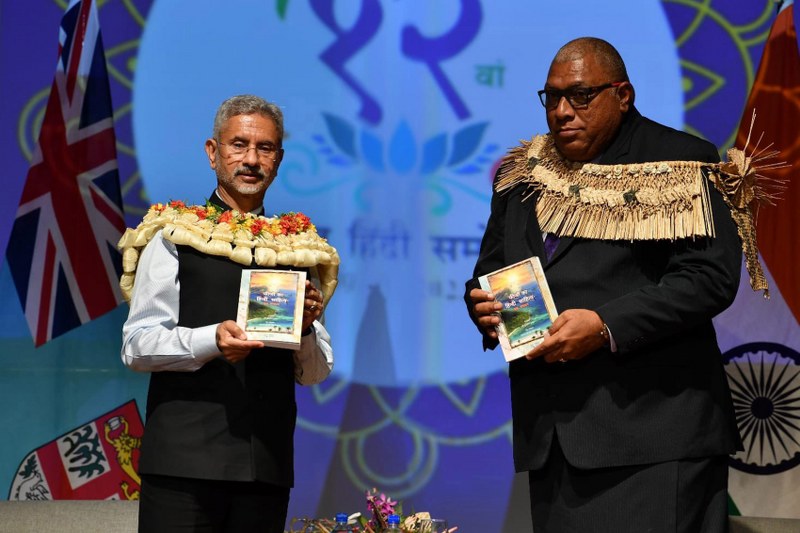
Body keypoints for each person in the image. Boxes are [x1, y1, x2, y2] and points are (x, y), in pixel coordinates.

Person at [465, 38, 743, 532]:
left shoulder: (681, 161)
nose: (562, 112)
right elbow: (489, 270)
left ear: (624, 94)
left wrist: (605, 325)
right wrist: (482, 307)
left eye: (581, 96)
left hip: (654, 440)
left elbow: (709, 280)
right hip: (551, 442)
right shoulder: (522, 171)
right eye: (552, 98)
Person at [121, 95, 334, 533]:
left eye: (266, 148)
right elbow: (137, 345)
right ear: (212, 152)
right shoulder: (174, 234)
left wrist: (308, 329)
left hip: (264, 466)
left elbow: (315, 374)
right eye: (238, 145)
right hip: (183, 466)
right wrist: (210, 340)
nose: (251, 159)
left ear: (279, 159)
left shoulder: (295, 248)